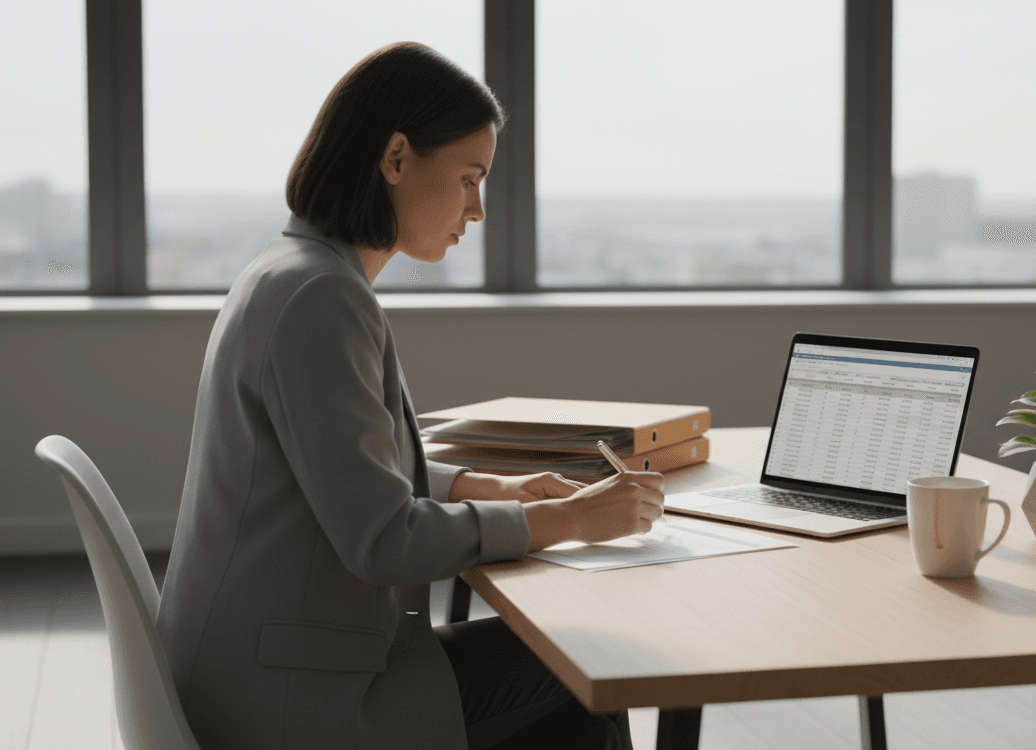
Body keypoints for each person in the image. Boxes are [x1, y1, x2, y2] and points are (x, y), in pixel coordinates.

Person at [155, 41, 664, 750]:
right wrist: (575, 520)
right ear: (396, 159)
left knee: (579, 710)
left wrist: (490, 486)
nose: (478, 209)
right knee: (593, 668)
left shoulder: (291, 273)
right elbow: (383, 540)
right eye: (468, 178)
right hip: (289, 696)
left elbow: (346, 476)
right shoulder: (321, 299)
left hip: (258, 664)